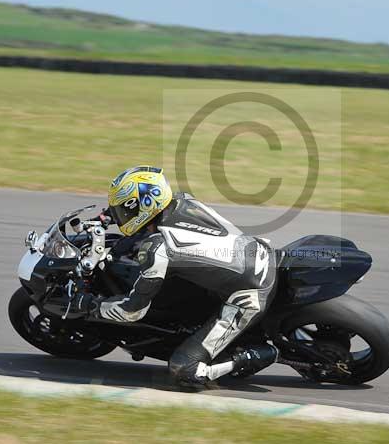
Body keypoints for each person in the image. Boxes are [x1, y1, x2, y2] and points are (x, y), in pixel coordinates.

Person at [73, 165, 278, 387]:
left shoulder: (158, 249)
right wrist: (106, 217)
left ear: (143, 207)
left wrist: (92, 305)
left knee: (184, 370)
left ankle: (261, 354)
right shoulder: (182, 201)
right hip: (254, 253)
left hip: (248, 295)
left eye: (123, 210)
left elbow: (132, 311)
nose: (120, 215)